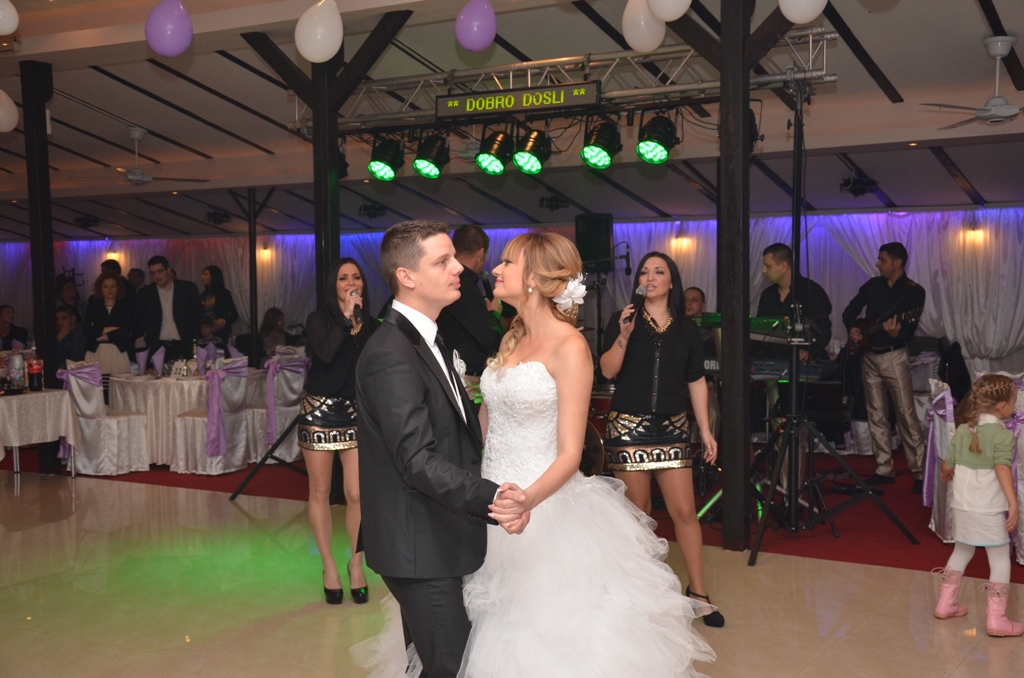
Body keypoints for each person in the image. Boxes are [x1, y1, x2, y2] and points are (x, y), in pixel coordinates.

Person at [354, 221, 528, 678]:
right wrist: (492, 496)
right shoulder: (390, 352)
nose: (458, 269)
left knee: (433, 664)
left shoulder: (425, 337)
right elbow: (416, 461)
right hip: (417, 543)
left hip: (435, 533)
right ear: (407, 276)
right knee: (452, 667)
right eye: (443, 261)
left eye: (455, 258)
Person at [599, 251, 725, 628]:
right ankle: (641, 593)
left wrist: (705, 431)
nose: (650, 277)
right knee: (640, 513)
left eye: (659, 272)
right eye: (644, 272)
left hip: (672, 427)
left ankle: (699, 594)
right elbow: (607, 370)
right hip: (628, 428)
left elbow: (696, 380)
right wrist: (623, 336)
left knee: (684, 511)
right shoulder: (622, 319)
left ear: (672, 282)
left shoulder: (686, 330)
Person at [297, 258, 379, 606]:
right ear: (334, 285)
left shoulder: (371, 325)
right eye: (343, 278)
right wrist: (346, 319)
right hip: (318, 411)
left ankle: (355, 564)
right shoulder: (319, 320)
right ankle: (329, 567)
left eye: (356, 277)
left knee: (357, 493)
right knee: (319, 491)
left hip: (356, 414)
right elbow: (327, 355)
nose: (350, 283)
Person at [933, 374, 1022, 637]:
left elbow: (947, 465)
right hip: (988, 509)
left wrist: (946, 473)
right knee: (1000, 558)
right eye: (1013, 402)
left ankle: (945, 603)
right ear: (1002, 406)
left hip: (962, 506)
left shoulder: (963, 430)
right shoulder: (1003, 435)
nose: (1014, 407)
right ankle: (997, 619)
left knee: (961, 551)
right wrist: (1013, 503)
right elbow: (1002, 469)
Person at [842, 242, 927, 494]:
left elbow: (909, 330)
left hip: (894, 356)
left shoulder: (914, 292)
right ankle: (883, 469)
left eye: (882, 260)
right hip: (869, 357)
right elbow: (849, 311)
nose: (877, 264)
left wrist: (895, 333)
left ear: (897, 263)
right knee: (876, 413)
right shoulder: (873, 285)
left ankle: (920, 472)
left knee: (905, 414)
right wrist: (853, 328)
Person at [437, 224, 504, 377]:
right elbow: (491, 340)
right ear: (480, 253)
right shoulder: (463, 286)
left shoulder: (445, 281)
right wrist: (494, 312)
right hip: (465, 376)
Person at [757, 243, 833, 362]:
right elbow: (760, 328)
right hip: (772, 361)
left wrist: (809, 350)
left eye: (768, 266)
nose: (763, 270)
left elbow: (823, 330)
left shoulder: (812, 291)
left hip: (802, 362)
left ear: (783, 266)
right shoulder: (767, 295)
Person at [134, 256, 203, 361]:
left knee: (187, 370)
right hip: (157, 346)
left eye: (160, 271)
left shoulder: (187, 288)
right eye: (152, 273)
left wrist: (190, 333)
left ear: (168, 270)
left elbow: (198, 314)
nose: (157, 276)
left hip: (184, 344)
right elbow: (140, 318)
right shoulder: (145, 293)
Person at [84, 272, 133, 377]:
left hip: (118, 351)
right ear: (100, 289)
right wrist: (111, 328)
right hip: (95, 352)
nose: (109, 290)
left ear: (118, 288)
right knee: (96, 385)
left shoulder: (125, 307)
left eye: (113, 286)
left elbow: (125, 330)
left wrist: (101, 337)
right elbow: (87, 330)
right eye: (105, 286)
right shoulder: (93, 306)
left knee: (118, 385)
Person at [199, 265, 239, 344]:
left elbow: (234, 314)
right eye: (203, 274)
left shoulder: (224, 294)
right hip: (205, 334)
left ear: (213, 276)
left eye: (206, 274)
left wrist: (224, 321)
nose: (202, 277)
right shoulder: (202, 296)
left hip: (221, 334)